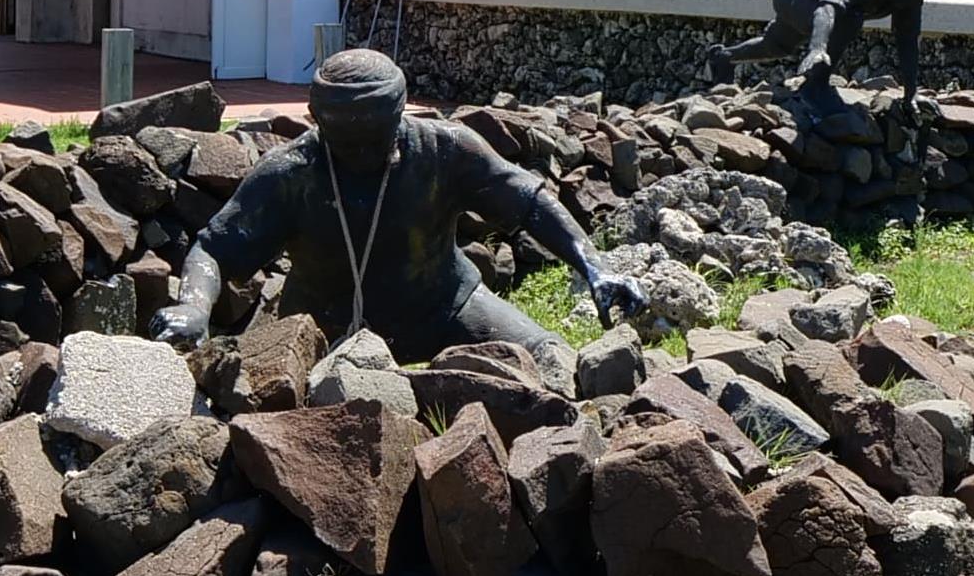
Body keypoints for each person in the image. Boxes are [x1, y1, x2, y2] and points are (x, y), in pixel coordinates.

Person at [150, 48, 645, 378]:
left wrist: (593, 267)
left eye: (376, 138)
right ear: (317, 120)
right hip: (322, 322)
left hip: (446, 307)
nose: (365, 154)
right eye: (348, 142)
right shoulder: (291, 173)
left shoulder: (444, 149)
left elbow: (527, 198)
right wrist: (195, 307)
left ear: (402, 112)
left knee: (548, 362)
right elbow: (214, 248)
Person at [721, 0, 942, 98]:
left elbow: (907, 42)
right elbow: (827, 9)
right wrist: (818, 48)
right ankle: (815, 85)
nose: (916, 0)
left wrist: (911, 94)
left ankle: (724, 57)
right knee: (848, 20)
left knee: (777, 46)